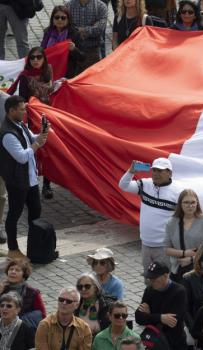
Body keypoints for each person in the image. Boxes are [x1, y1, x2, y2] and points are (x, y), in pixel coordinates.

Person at [0, 95, 49, 260]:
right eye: (21, 109)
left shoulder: (19, 124)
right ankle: (13, 249)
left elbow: (29, 139)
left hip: (31, 179)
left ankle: (34, 246)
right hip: (18, 181)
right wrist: (37, 144)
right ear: (11, 110)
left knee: (36, 212)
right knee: (14, 213)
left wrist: (41, 134)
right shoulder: (7, 133)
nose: (24, 112)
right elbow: (21, 156)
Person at [118, 158, 182, 275]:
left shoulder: (178, 192)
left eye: (160, 171)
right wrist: (131, 171)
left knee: (165, 280)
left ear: (170, 173)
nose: (156, 174)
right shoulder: (145, 184)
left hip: (165, 247)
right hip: (145, 244)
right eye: (154, 170)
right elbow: (123, 185)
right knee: (149, 279)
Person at [165, 189, 203, 281]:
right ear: (180, 204)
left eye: (193, 202)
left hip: (200, 270)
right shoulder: (171, 223)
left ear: (197, 203)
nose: (190, 206)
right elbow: (166, 249)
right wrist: (184, 253)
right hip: (177, 270)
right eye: (186, 202)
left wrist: (191, 259)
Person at [135, 261, 187, 350]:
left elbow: (172, 322)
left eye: (154, 278)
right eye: (149, 278)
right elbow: (139, 317)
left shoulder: (179, 292)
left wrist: (150, 315)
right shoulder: (149, 290)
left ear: (165, 276)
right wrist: (161, 317)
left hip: (174, 343)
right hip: (154, 341)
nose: (151, 281)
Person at [40, 6, 85, 79]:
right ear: (53, 19)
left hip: (67, 73)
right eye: (57, 17)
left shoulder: (74, 33)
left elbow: (82, 57)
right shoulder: (48, 32)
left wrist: (74, 49)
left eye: (63, 18)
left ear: (68, 19)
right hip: (49, 71)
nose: (60, 20)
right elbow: (42, 50)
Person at [0, 259, 46, 329]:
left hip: (22, 330)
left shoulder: (32, 292)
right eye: (11, 269)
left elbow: (42, 315)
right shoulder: (2, 288)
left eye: (17, 270)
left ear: (24, 275)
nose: (13, 272)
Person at [65, 0, 108, 75]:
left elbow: (99, 29)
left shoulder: (101, 6)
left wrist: (76, 30)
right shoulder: (68, 6)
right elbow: (65, 28)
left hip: (92, 52)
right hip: (72, 54)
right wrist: (90, 29)